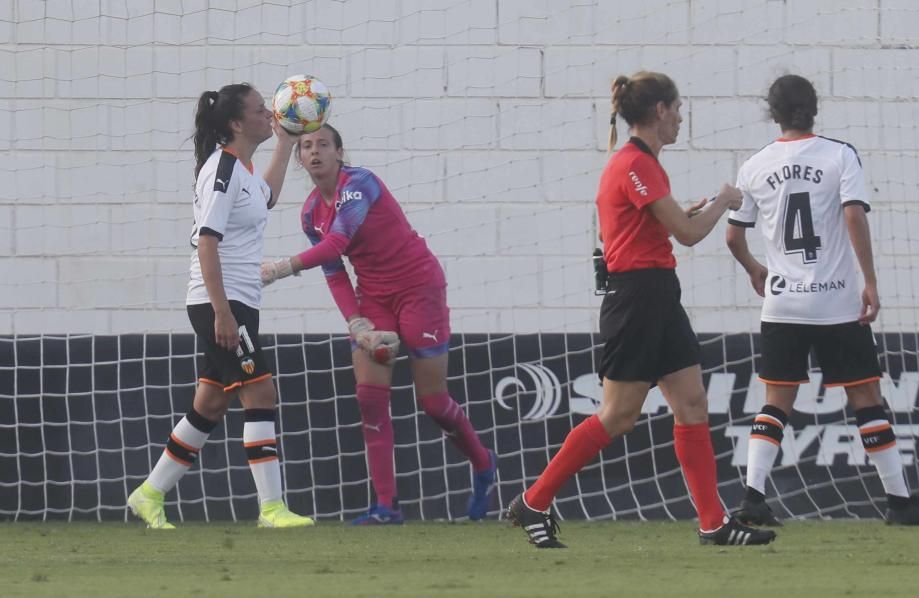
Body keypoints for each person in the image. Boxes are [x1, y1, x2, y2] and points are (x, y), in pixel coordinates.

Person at [504, 71, 777, 548]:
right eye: (678, 108)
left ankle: (713, 524)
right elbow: (688, 236)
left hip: (658, 293)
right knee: (618, 415)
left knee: (691, 403)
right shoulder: (635, 162)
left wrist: (694, 209)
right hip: (636, 300)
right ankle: (534, 500)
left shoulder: (643, 163)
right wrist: (726, 201)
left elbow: (664, 227)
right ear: (659, 111)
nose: (682, 117)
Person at [725, 74, 919, 527]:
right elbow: (852, 215)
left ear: (772, 112)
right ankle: (899, 502)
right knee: (866, 396)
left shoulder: (754, 166)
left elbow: (732, 236)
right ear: (815, 109)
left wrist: (754, 268)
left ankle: (753, 497)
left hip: (783, 303)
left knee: (775, 401)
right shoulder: (839, 154)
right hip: (835, 302)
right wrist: (870, 280)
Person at [260, 124, 498, 524]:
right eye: (305, 146)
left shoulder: (361, 184)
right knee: (370, 399)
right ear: (299, 158)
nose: (314, 152)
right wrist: (355, 322)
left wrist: (281, 268)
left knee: (434, 402)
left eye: (322, 145)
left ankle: (483, 464)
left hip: (418, 286)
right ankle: (387, 507)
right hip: (374, 297)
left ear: (339, 151)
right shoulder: (310, 213)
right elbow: (336, 271)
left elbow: (336, 243)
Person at [127, 83, 313, 529]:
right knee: (260, 392)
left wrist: (285, 143)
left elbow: (265, 199)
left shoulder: (243, 169)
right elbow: (206, 241)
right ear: (235, 123)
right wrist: (222, 312)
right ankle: (271, 509)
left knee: (210, 404)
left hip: (238, 301)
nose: (269, 112)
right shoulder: (221, 171)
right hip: (220, 301)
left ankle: (148, 493)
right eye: (258, 109)